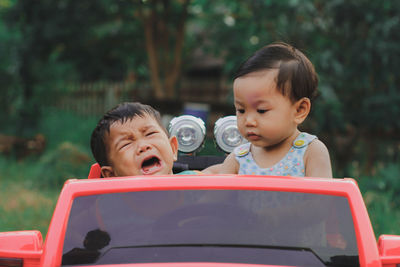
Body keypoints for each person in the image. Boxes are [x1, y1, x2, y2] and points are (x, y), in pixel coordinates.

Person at [204, 42, 332, 178]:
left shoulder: (311, 152)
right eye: (241, 110)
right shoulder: (237, 159)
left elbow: (323, 197)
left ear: (299, 110)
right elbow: (218, 196)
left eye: (261, 110)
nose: (249, 121)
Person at [90, 101, 198, 177]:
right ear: (111, 174)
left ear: (173, 148)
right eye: (126, 144)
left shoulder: (195, 184)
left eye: (150, 133)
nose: (143, 146)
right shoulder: (104, 207)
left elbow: (214, 171)